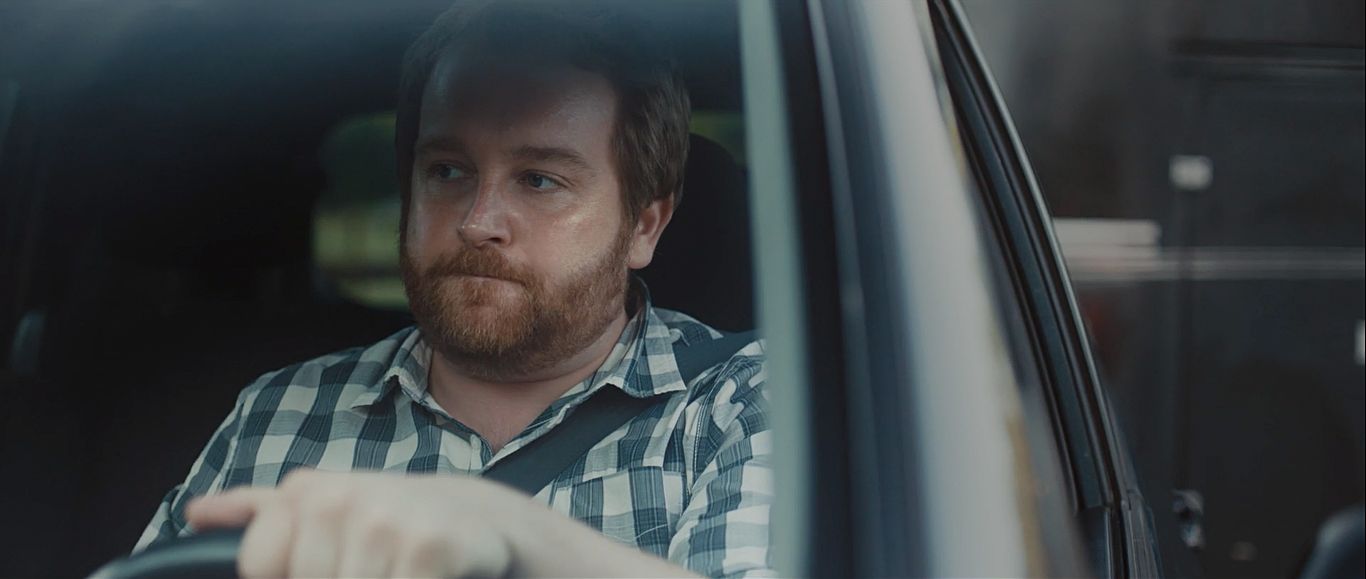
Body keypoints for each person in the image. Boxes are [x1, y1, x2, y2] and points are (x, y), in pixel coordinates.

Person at [132, 1, 772, 577]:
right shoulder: (281, 410)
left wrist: (510, 532)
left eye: (539, 180)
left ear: (643, 224)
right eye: (447, 170)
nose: (477, 222)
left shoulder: (742, 403)